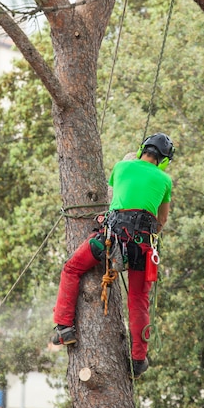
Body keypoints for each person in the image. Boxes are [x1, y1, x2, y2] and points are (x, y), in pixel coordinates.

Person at [52, 132, 175, 379]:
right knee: (139, 300)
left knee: (72, 268)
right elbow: (161, 220)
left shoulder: (121, 166)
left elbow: (112, 200)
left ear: (142, 150)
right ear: (164, 160)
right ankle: (138, 360)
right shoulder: (165, 180)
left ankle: (65, 327)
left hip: (110, 242)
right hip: (142, 248)